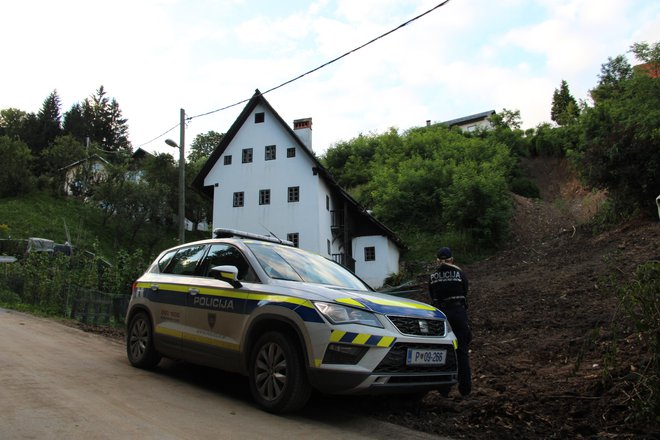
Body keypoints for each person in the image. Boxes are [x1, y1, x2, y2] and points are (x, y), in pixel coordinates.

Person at [429, 246, 472, 397]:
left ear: (437, 261)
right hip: (458, 312)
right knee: (461, 350)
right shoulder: (460, 273)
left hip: (441, 315)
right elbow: (465, 291)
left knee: (444, 352)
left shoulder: (433, 276)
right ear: (452, 259)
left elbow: (432, 295)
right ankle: (465, 389)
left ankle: (444, 389)